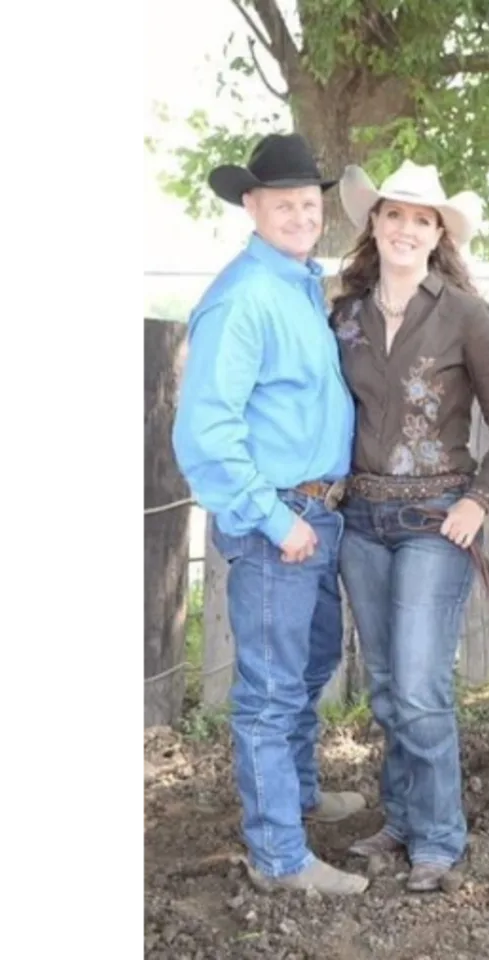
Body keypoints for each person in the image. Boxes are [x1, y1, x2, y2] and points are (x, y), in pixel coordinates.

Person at [326, 159, 489, 892]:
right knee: (386, 685)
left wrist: (479, 499)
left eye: (422, 219)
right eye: (395, 215)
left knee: (418, 685)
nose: (407, 229)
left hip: (433, 522)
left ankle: (440, 839)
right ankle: (403, 819)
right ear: (374, 224)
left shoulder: (465, 315)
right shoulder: (343, 314)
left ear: (438, 233)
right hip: (359, 520)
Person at [171, 132, 371, 896]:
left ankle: (302, 791)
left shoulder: (296, 284)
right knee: (269, 692)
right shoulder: (243, 296)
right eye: (282, 203)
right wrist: (271, 517)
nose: (299, 214)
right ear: (251, 207)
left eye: (309, 203)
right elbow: (205, 431)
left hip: (317, 514)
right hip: (279, 522)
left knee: (311, 665)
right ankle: (279, 856)